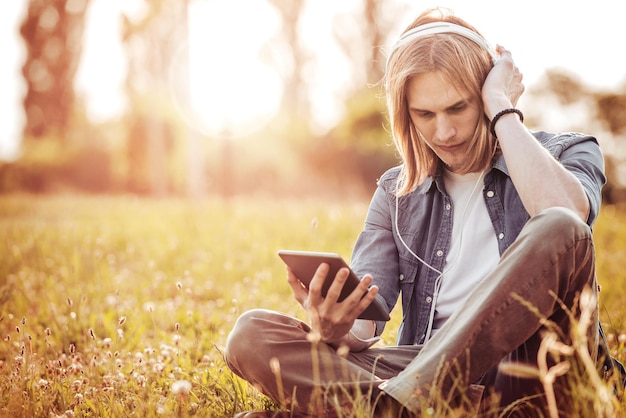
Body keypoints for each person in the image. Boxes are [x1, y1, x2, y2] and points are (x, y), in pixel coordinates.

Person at [225, 7, 612, 417]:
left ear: (484, 93)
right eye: (424, 114)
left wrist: (502, 107)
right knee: (252, 335)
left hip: (540, 372)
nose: (444, 132)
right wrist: (335, 327)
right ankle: (411, 406)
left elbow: (567, 219)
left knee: (558, 224)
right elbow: (366, 320)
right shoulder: (396, 191)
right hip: (427, 372)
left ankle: (398, 406)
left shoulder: (567, 152)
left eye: (458, 108)